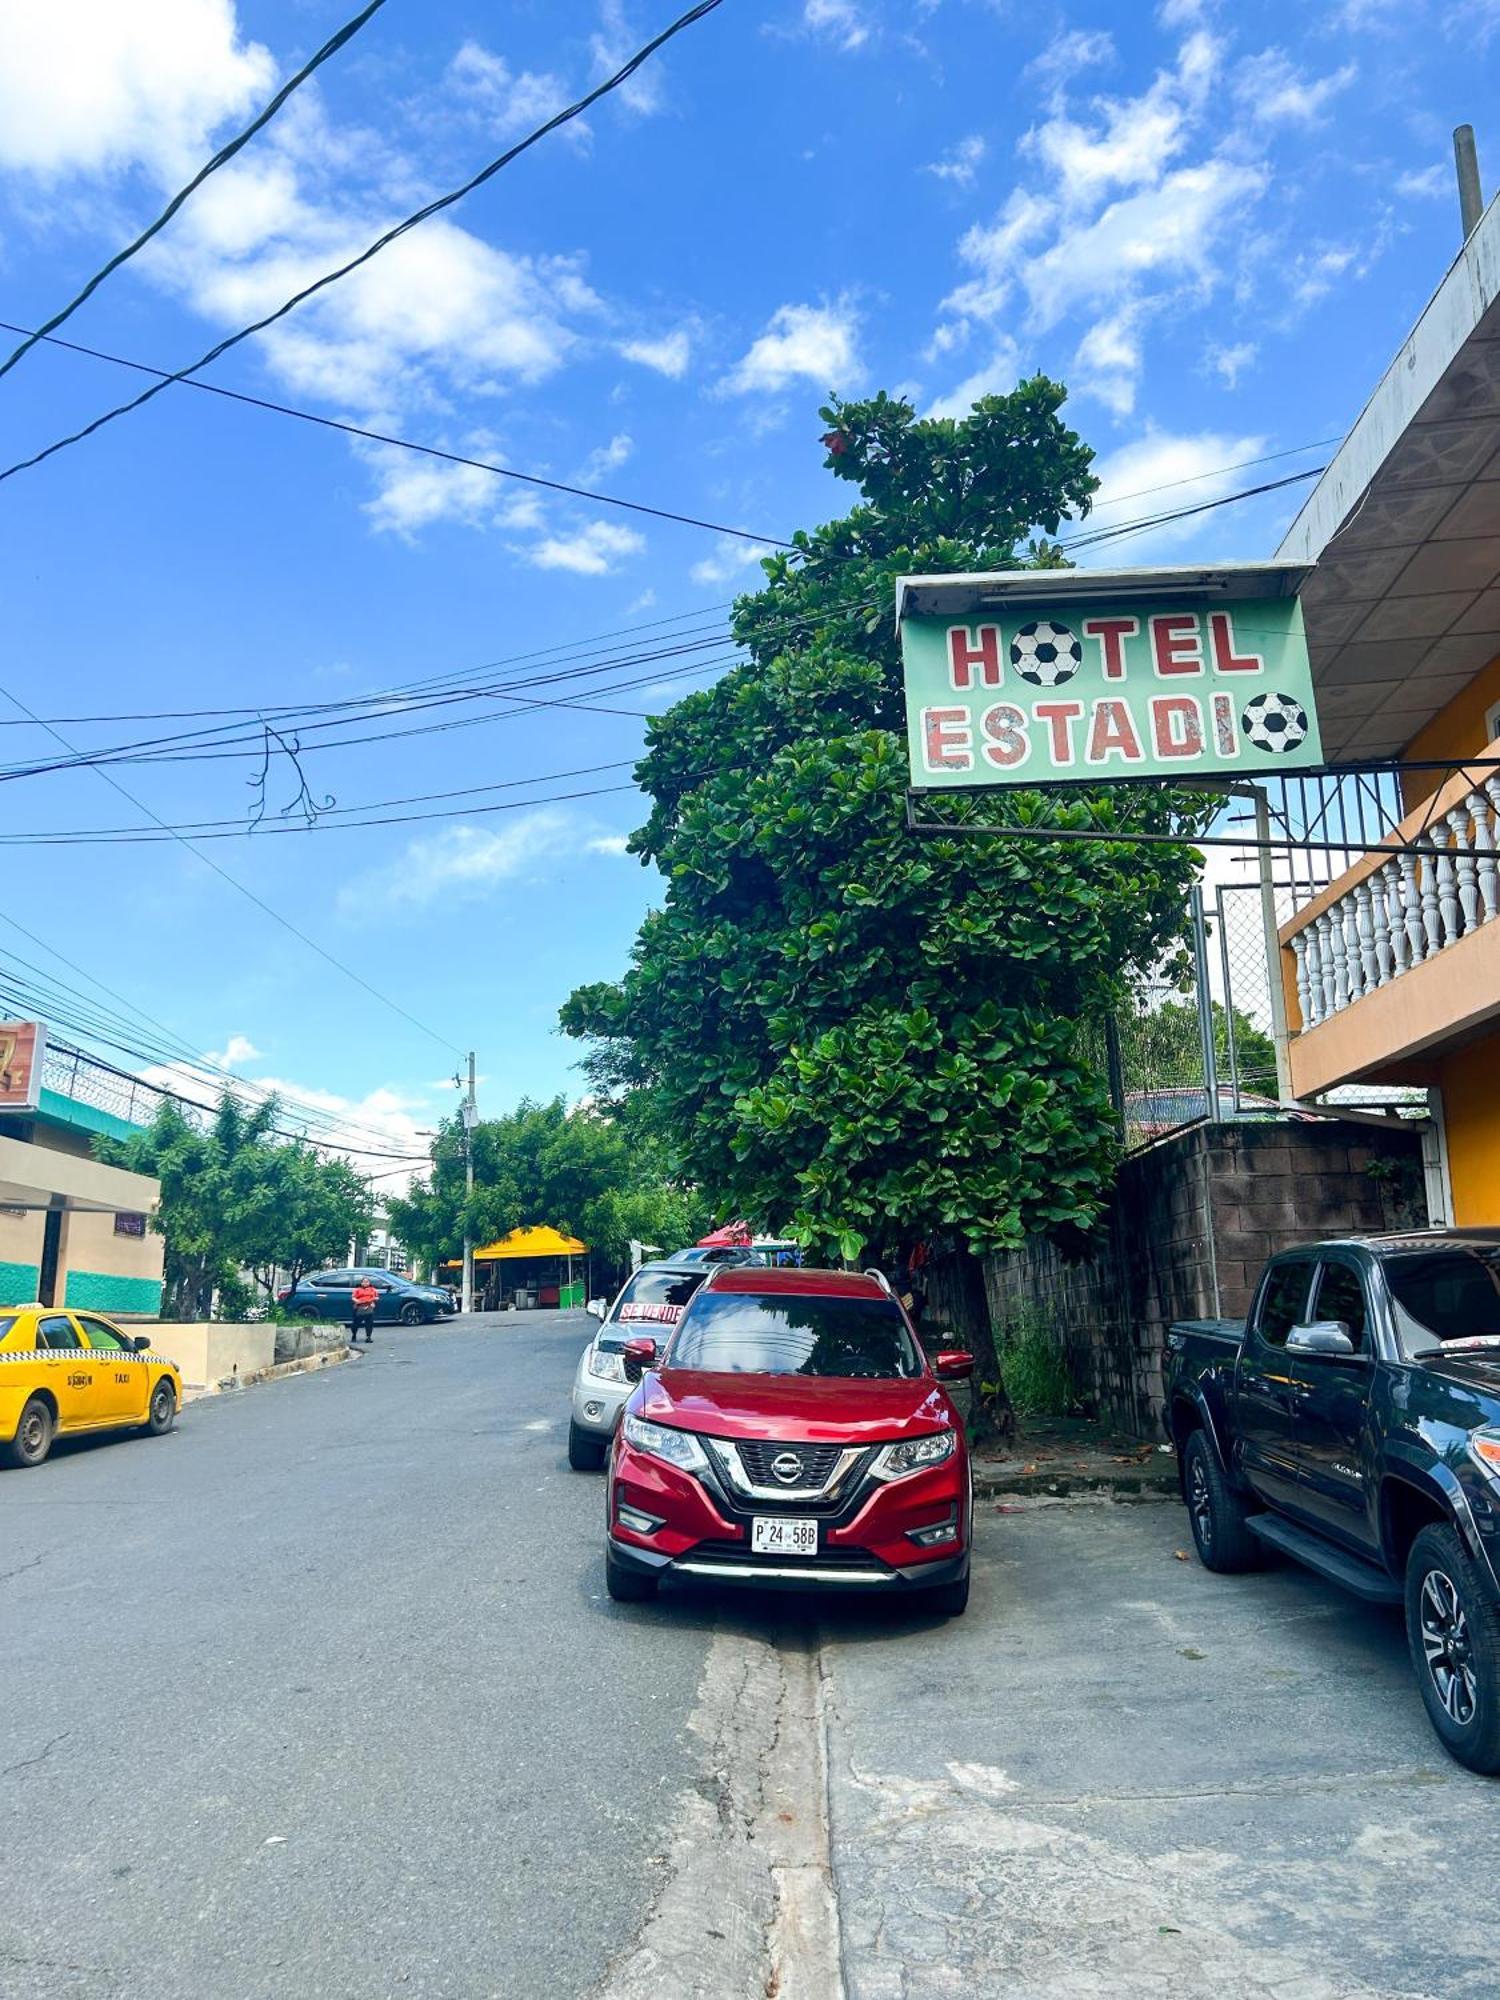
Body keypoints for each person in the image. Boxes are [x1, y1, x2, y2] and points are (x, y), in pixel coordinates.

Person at [349, 1275, 379, 1346]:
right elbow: (353, 1298)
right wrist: (358, 1301)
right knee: (355, 1323)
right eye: (364, 1282)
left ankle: (368, 1337)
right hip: (360, 1306)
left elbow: (377, 1297)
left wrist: (372, 1301)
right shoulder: (357, 1290)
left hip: (369, 1306)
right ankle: (354, 1335)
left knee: (369, 1323)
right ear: (361, 1283)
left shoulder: (373, 1289)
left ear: (369, 1283)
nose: (365, 1283)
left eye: (367, 1282)